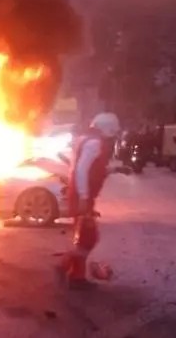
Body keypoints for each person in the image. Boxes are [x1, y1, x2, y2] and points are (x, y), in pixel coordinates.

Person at [56, 112, 121, 290]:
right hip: (82, 196)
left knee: (84, 237)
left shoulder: (86, 140)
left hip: (80, 195)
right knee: (89, 238)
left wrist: (114, 170)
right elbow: (82, 170)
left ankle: (77, 277)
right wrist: (84, 197)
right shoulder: (95, 144)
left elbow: (91, 169)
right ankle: (63, 265)